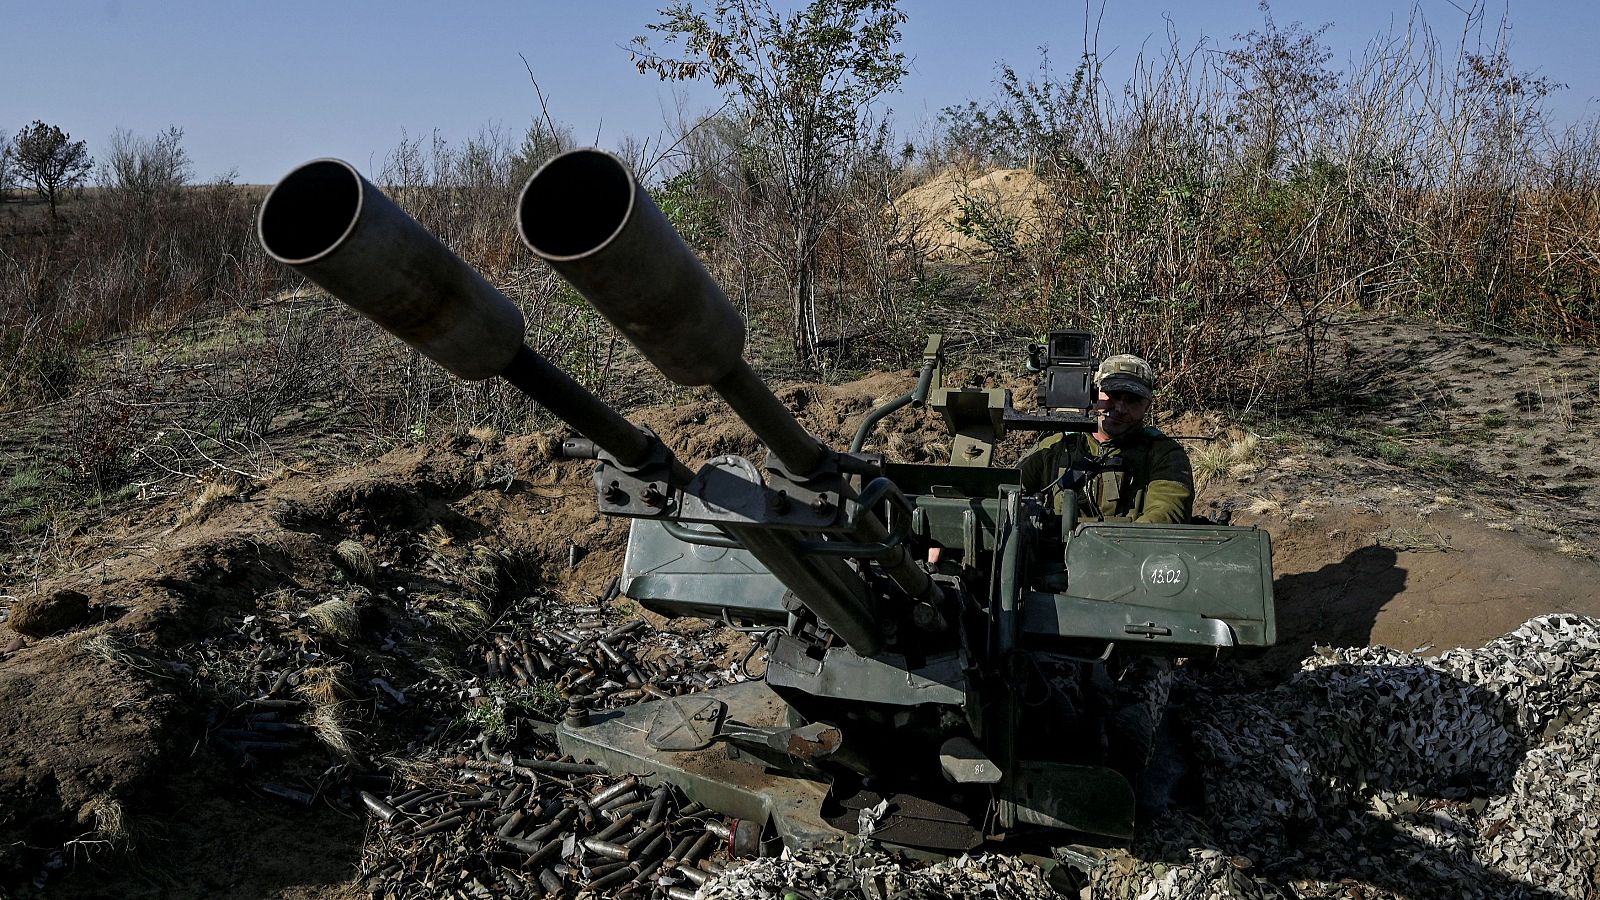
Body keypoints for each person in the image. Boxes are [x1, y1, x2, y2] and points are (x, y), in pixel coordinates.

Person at [1018, 353, 1194, 524]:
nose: (1120, 408)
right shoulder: (1056, 446)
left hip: (1130, 552)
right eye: (1113, 394)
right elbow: (1004, 493)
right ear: (1094, 393)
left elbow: (1166, 514)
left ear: (1147, 405)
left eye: (1133, 400)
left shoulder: (1164, 454)